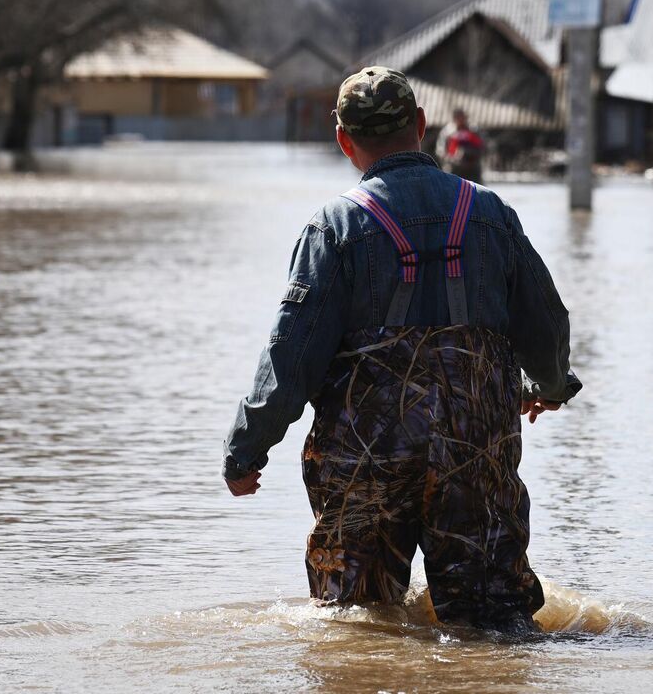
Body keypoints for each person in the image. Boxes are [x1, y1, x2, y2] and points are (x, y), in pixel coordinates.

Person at [222, 66, 580, 632]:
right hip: (475, 456)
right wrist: (552, 386)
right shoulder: (489, 213)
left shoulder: (335, 227)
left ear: (343, 140)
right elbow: (544, 316)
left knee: (355, 626)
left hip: (367, 460)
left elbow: (291, 356)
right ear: (420, 124)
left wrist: (246, 450)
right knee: (495, 627)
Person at [436, 107, 486, 183]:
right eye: (457, 117)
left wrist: (468, 153)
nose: (460, 120)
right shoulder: (447, 133)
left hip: (472, 170)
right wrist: (452, 158)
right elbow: (441, 151)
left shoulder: (474, 131)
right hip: (453, 169)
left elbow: (482, 147)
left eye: (462, 117)